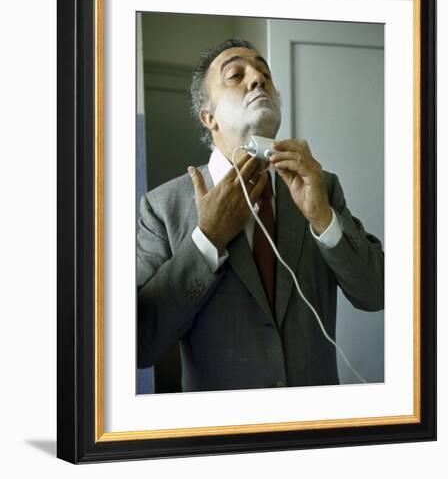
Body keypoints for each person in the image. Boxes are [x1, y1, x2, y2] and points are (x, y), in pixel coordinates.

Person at [137, 37, 384, 392]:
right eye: (236, 74)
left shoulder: (320, 186)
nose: (257, 78)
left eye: (264, 73)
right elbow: (140, 343)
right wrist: (207, 240)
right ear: (209, 118)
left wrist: (324, 220)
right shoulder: (162, 208)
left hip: (317, 427)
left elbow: (377, 294)